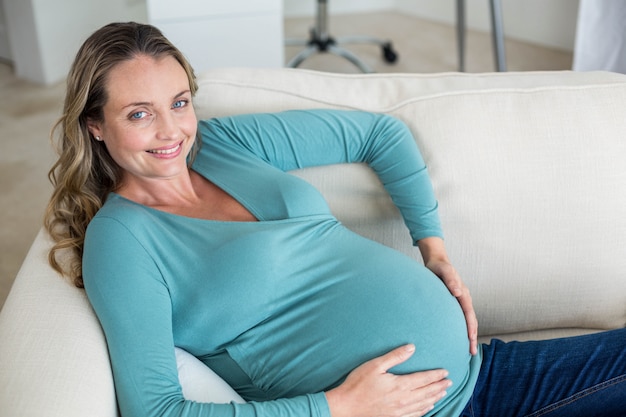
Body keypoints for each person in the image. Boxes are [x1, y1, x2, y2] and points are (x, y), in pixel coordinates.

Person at [44, 22, 625, 417]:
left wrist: (436, 253)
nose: (172, 131)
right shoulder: (121, 242)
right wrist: (335, 408)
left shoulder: (222, 145)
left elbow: (380, 134)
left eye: (179, 102)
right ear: (95, 125)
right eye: (140, 114)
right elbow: (156, 409)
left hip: (483, 372)